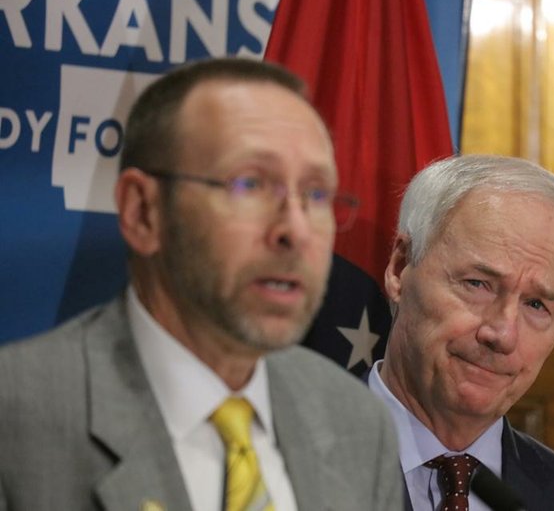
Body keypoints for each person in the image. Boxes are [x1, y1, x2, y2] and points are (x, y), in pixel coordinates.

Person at [0, 58, 403, 511]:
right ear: (143, 212)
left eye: (315, 194)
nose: (296, 231)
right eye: (250, 184)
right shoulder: (14, 419)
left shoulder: (358, 424)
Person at [369, 155, 554, 510]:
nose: (502, 333)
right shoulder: (284, 459)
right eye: (477, 284)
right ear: (400, 268)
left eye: (536, 306)